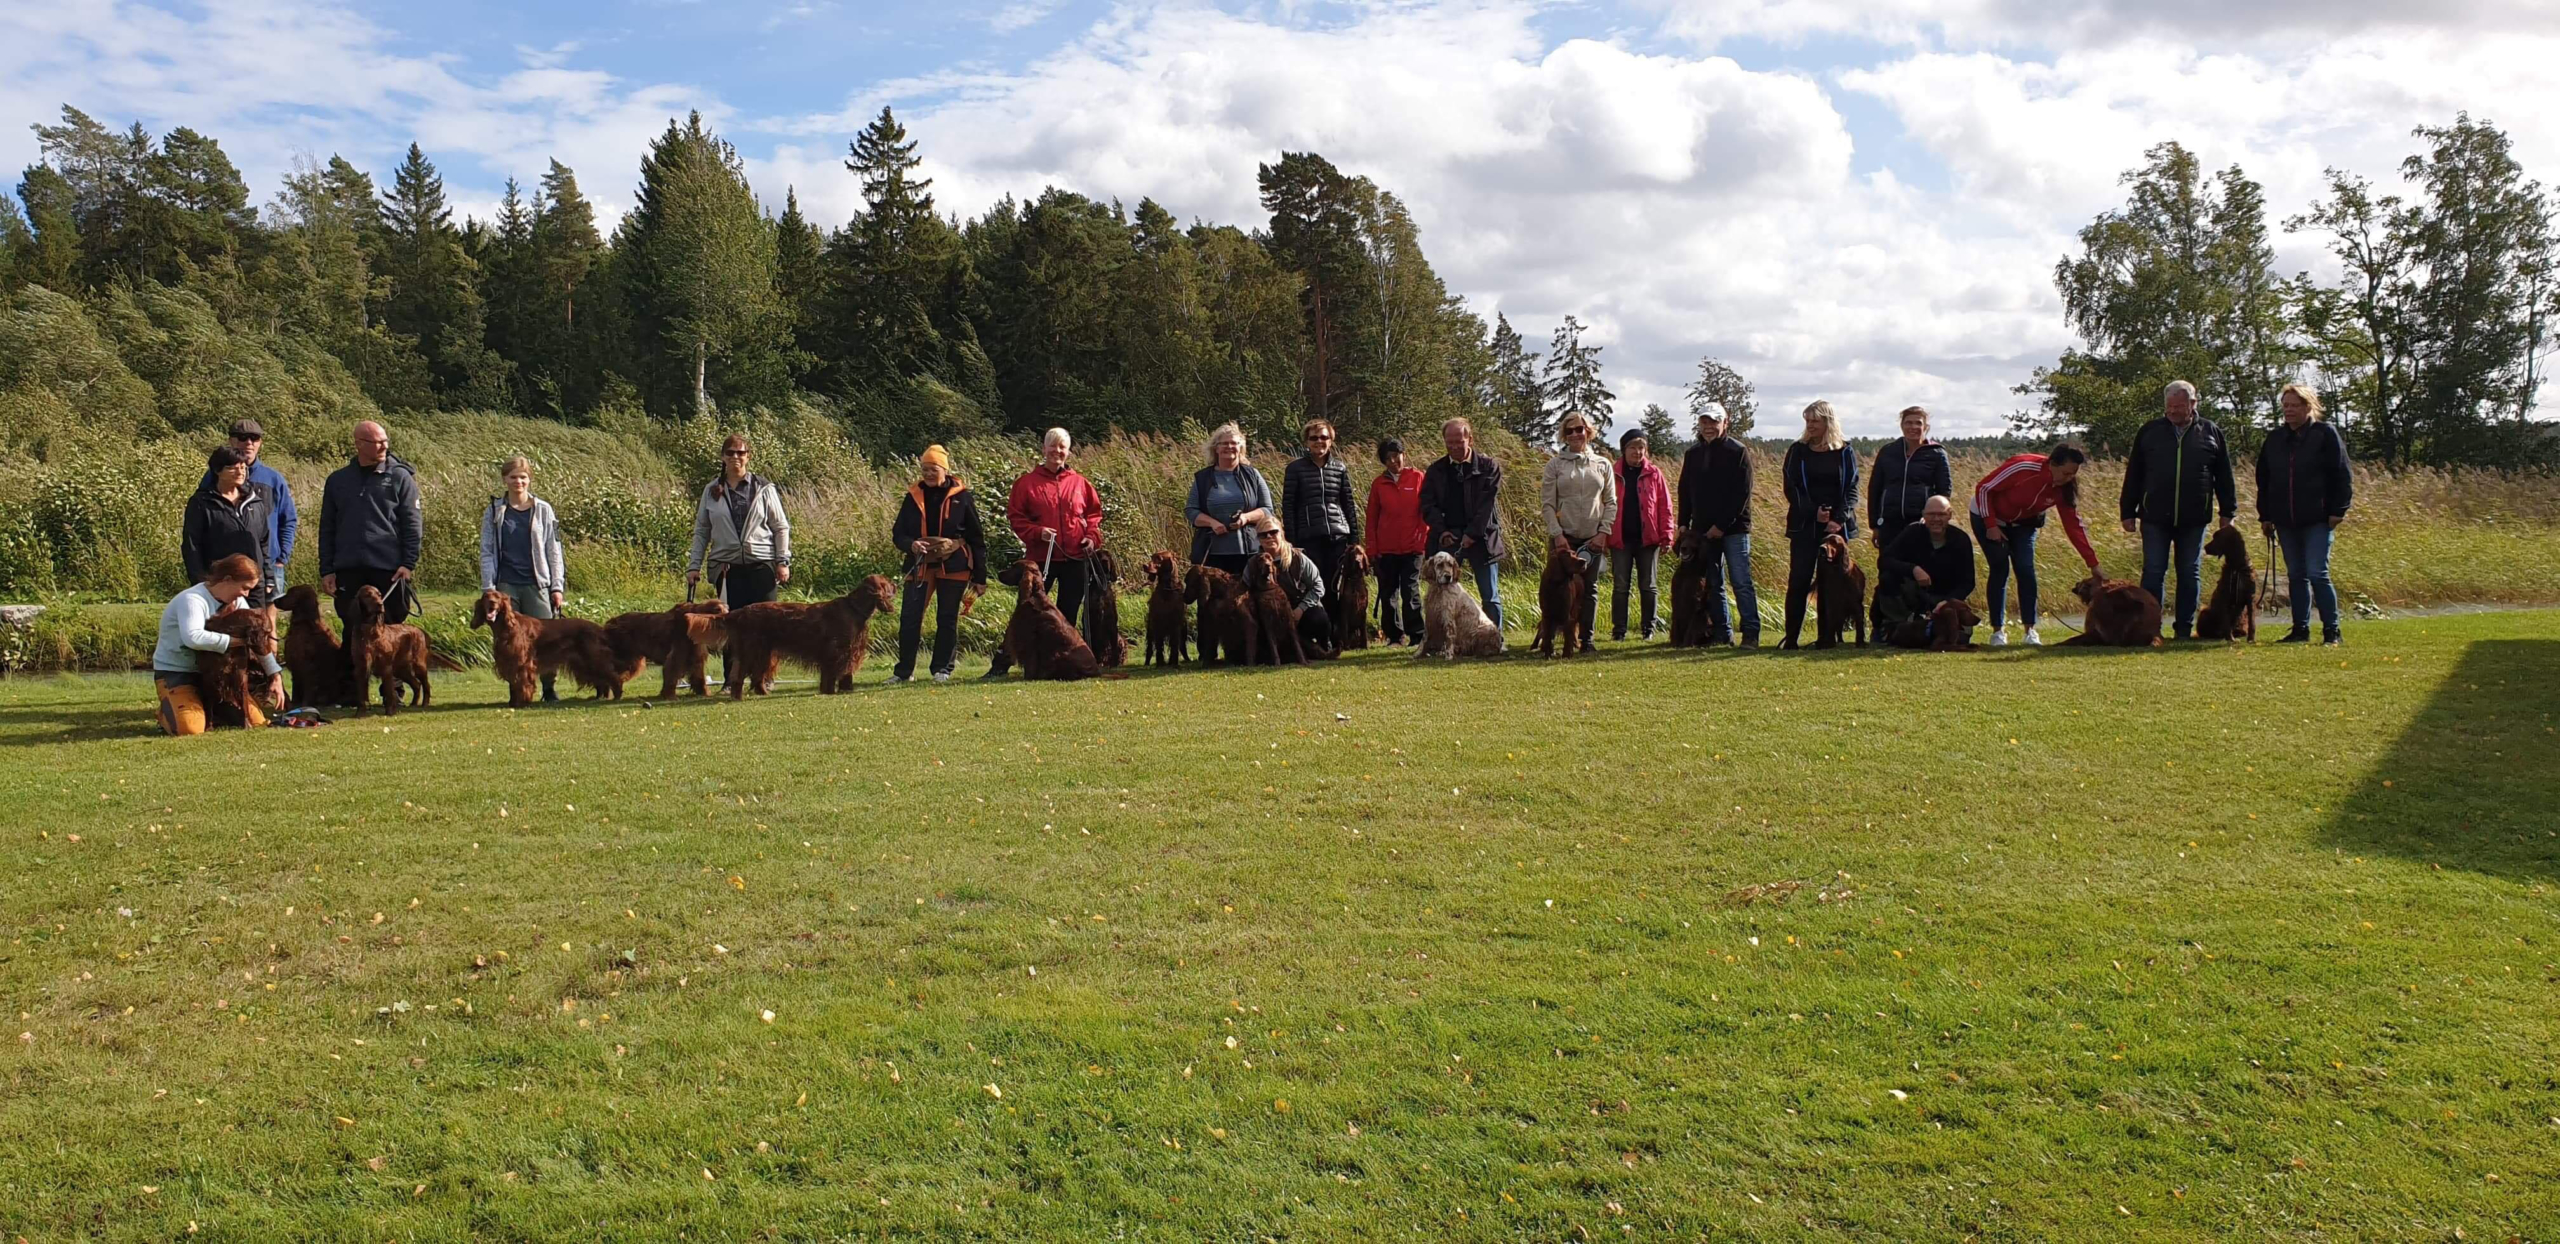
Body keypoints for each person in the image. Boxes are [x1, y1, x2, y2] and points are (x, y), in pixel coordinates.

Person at [2119, 379, 2236, 640]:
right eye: (2169, 406)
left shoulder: (2211, 432)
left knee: (2189, 571)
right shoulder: (2150, 431)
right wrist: (2127, 511)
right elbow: (2134, 473)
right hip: (2154, 516)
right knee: (2153, 571)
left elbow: (2224, 476)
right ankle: (2150, 628)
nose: (2172, 411)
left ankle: (2183, 629)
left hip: (2194, 518)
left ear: (2193, 404)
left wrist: (2228, 512)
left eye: (2178, 406)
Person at [990, 428, 1105, 678]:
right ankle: (1000, 665)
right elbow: (1016, 517)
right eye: (1052, 446)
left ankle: (1058, 664)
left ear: (1068, 451)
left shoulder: (1081, 483)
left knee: (1066, 615)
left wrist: (1091, 538)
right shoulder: (1026, 483)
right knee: (1024, 613)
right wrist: (1036, 532)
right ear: (1043, 449)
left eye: (1062, 447)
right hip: (1041, 558)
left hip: (1074, 557)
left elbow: (1094, 516)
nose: (1057, 451)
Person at [1970, 443, 2101, 647]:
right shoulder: (2023, 468)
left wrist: (2093, 563)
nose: (2068, 478)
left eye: (2073, 474)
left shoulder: (2064, 488)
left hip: (2024, 524)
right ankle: (1998, 632)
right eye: (2066, 473)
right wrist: (1991, 525)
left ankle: (2030, 630)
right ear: (2052, 464)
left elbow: (2073, 525)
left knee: (2025, 569)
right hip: (1988, 516)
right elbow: (1984, 488)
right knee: (2000, 567)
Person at [686, 434, 793, 682]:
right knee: (731, 625)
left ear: (748, 456)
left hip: (762, 565)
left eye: (741, 453)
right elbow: (702, 530)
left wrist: (782, 561)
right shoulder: (711, 491)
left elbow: (781, 527)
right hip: (727, 568)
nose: (736, 457)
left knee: (768, 625)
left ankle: (765, 678)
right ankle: (731, 680)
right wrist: (694, 566)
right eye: (731, 453)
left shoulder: (764, 488)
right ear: (723, 457)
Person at [2255, 383, 2354, 646]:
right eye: (2285, 406)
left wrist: (2337, 510)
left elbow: (2342, 475)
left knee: (2317, 572)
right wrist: (2265, 515)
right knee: (2296, 575)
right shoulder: (2275, 439)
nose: (2288, 411)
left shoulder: (2325, 434)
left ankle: (2332, 631)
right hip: (2285, 519)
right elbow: (2263, 479)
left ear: (2308, 407)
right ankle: (2300, 629)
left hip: (2318, 518)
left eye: (2294, 406)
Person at [889, 444, 988, 683]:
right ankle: (904, 672)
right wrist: (911, 545)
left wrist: (980, 577)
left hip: (955, 566)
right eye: (925, 469)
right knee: (909, 618)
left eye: (933, 469)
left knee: (947, 618)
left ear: (944, 470)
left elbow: (977, 538)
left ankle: (942, 669)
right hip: (920, 564)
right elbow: (898, 533)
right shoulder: (912, 496)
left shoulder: (963, 497)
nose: (929, 474)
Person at [154, 553, 282, 736]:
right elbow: (193, 638)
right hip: (178, 673)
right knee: (189, 729)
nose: (246, 594)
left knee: (257, 722)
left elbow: (257, 639)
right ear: (227, 579)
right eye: (244, 588)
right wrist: (236, 642)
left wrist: (274, 674)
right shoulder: (192, 600)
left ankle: (213, 711)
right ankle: (166, 713)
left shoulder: (237, 601)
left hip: (216, 677)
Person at [317, 419, 422, 633]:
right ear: (359, 444)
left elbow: (412, 523)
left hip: (389, 570)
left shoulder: (400, 478)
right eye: (377, 442)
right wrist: (327, 570)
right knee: (352, 631)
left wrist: (408, 563)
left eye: (385, 441)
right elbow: (327, 527)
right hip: (349, 569)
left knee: (392, 631)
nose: (384, 446)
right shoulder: (338, 481)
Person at [479, 455, 568, 702]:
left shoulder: (543, 510)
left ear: (529, 480)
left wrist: (557, 586)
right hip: (505, 585)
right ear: (505, 479)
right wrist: (489, 587)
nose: (518, 481)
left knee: (546, 640)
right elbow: (486, 549)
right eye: (513, 477)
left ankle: (549, 689)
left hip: (537, 583)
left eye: (523, 477)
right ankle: (516, 690)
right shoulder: (495, 510)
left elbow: (554, 549)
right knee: (510, 641)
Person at [1779, 400, 1861, 650]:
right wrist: (1813, 512)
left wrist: (1838, 519)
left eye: (1815, 420)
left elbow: (1852, 489)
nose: (1810, 425)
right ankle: (1791, 638)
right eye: (1808, 421)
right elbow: (1790, 487)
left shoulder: (1845, 451)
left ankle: (1827, 637)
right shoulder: (1797, 451)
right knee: (1799, 581)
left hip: (1836, 530)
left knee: (1831, 584)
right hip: (1805, 525)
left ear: (1828, 421)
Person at [1677, 402, 1759, 647]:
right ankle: (1723, 634)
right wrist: (1683, 523)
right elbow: (1685, 490)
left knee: (1741, 581)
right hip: (1702, 531)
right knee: (1714, 583)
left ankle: (1751, 633)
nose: (1708, 427)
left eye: (1713, 421)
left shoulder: (1738, 451)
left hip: (1734, 530)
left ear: (1725, 422)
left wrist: (1722, 526)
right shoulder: (1693, 454)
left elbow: (1742, 494)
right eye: (1704, 422)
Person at [1538, 412, 1616, 654]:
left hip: (1593, 537)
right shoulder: (1555, 464)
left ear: (1588, 432)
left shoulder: (1603, 464)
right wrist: (1557, 534)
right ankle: (1550, 641)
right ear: (1564, 435)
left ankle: (1587, 639)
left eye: (1579, 429)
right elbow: (1548, 504)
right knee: (1555, 589)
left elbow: (1611, 502)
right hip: (1565, 537)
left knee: (1589, 589)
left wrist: (1603, 533)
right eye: (1569, 431)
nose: (1575, 434)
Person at [1419, 417, 1507, 630]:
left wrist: (1472, 534)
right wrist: (1441, 531)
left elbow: (1486, 506)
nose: (1455, 447)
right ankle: (1440, 641)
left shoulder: (1488, 467)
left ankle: (1495, 640)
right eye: (1450, 442)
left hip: (1482, 539)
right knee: (1440, 595)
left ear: (1470, 439)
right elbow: (1427, 505)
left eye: (1459, 441)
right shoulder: (1436, 470)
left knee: (1490, 595)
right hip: (1447, 538)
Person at [195, 419, 295, 593]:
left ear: (260, 443)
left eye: (254, 438)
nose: (248, 443)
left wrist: (281, 557)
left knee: (265, 617)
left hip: (267, 564)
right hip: (224, 566)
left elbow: (288, 519)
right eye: (242, 437)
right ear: (231, 441)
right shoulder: (213, 476)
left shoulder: (273, 478)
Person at [183, 446, 275, 610]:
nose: (240, 472)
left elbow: (264, 542)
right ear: (218, 470)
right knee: (223, 632)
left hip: (253, 584)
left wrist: (267, 577)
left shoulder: (255, 502)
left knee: (255, 631)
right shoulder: (201, 503)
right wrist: (201, 582)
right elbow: (192, 545)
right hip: (220, 585)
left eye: (243, 467)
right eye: (232, 467)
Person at [1605, 428, 1673, 641]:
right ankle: (1619, 630)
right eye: (1633, 447)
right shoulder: (1612, 472)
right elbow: (1602, 503)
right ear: (1624, 449)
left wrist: (1667, 536)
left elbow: (1665, 506)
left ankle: (1648, 629)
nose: (1637, 452)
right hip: (1620, 539)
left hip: (1648, 540)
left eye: (1641, 447)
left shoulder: (1654, 473)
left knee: (1648, 585)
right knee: (1620, 585)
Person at [1873, 495, 1976, 631]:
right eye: (1931, 514)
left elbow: (1968, 582)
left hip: (1945, 597)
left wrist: (1948, 601)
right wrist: (1913, 569)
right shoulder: (1912, 532)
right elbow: (1885, 560)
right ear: (1923, 515)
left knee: (1962, 636)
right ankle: (1892, 626)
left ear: (1949, 515)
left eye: (1941, 514)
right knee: (1887, 579)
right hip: (1915, 593)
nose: (1936, 519)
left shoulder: (1961, 540)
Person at [1280, 418, 1362, 588]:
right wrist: (1292, 541)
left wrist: (1354, 539)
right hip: (1309, 538)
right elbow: (1288, 506)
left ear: (1331, 441)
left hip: (1338, 536)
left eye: (1324, 437)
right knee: (1314, 586)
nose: (1319, 441)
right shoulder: (1295, 468)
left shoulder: (1339, 468)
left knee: (1336, 586)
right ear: (1306, 442)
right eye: (1314, 438)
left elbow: (1348, 504)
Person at [1185, 422, 1274, 576]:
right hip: (1211, 551)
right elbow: (1191, 511)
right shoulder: (1202, 478)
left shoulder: (1252, 475)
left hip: (1249, 551)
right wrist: (1212, 523)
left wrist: (1246, 518)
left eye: (1234, 443)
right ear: (1216, 448)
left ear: (1241, 447)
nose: (1229, 447)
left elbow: (1268, 510)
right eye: (1224, 443)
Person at [1365, 437, 1427, 646]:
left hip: (1413, 547)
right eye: (1388, 458)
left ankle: (1417, 635)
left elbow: (1425, 513)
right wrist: (1372, 550)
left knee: (1411, 592)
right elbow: (1371, 519)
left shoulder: (1419, 478)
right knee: (1388, 594)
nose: (1393, 461)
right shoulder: (1379, 484)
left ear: (1404, 455)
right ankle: (1394, 636)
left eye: (1396, 456)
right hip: (1386, 549)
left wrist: (1421, 539)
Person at [1868, 405, 1951, 553]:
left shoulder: (1936, 453)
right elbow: (1875, 489)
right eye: (1908, 422)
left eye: (1918, 423)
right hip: (1889, 522)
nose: (1913, 427)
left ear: (1926, 427)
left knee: (1919, 568)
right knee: (1888, 569)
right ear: (1901, 425)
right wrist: (1874, 524)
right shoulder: (1888, 451)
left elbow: (1944, 492)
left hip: (1921, 522)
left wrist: (1935, 519)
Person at [1250, 517, 1332, 654]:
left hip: (1299, 611)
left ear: (1281, 533)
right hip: (1271, 615)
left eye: (1273, 532)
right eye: (1263, 534)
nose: (1269, 537)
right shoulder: (1252, 563)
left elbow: (1318, 586)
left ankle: (1324, 644)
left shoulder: (1298, 558)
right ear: (1258, 539)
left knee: (1319, 619)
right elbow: (1246, 589)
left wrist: (1300, 610)